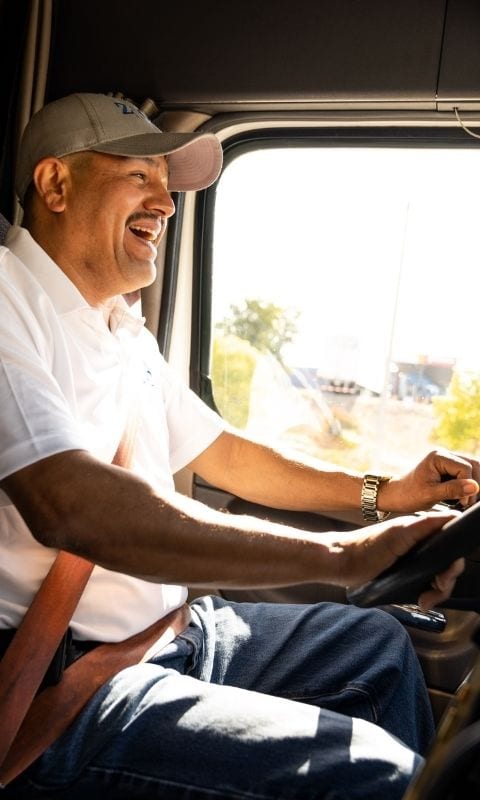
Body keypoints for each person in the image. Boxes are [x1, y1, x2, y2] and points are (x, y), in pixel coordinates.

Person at [0, 93, 478, 800]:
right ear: (56, 185)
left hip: (177, 631)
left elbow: (221, 451)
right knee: (377, 776)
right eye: (140, 175)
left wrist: (383, 493)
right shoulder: (9, 303)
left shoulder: (119, 328)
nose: (165, 203)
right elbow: (72, 506)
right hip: (67, 679)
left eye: (168, 182)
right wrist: (341, 555)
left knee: (376, 649)